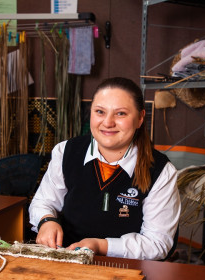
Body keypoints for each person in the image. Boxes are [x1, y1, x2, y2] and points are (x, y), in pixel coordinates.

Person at [29, 77, 181, 260]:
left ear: (140, 118)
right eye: (100, 112)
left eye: (120, 114)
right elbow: (42, 202)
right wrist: (46, 221)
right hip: (66, 259)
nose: (108, 122)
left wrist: (101, 246)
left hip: (126, 268)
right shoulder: (66, 152)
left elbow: (157, 243)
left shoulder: (161, 171)